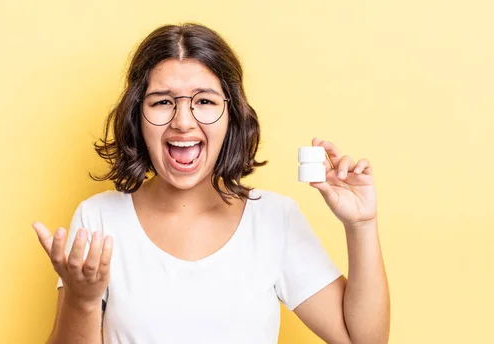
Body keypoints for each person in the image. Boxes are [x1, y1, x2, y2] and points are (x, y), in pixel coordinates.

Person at [32, 23, 390, 344]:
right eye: (162, 102)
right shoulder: (99, 219)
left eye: (204, 100)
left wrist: (361, 225)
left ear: (231, 115)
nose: (183, 122)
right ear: (137, 116)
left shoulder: (274, 218)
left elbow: (364, 340)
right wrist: (83, 299)